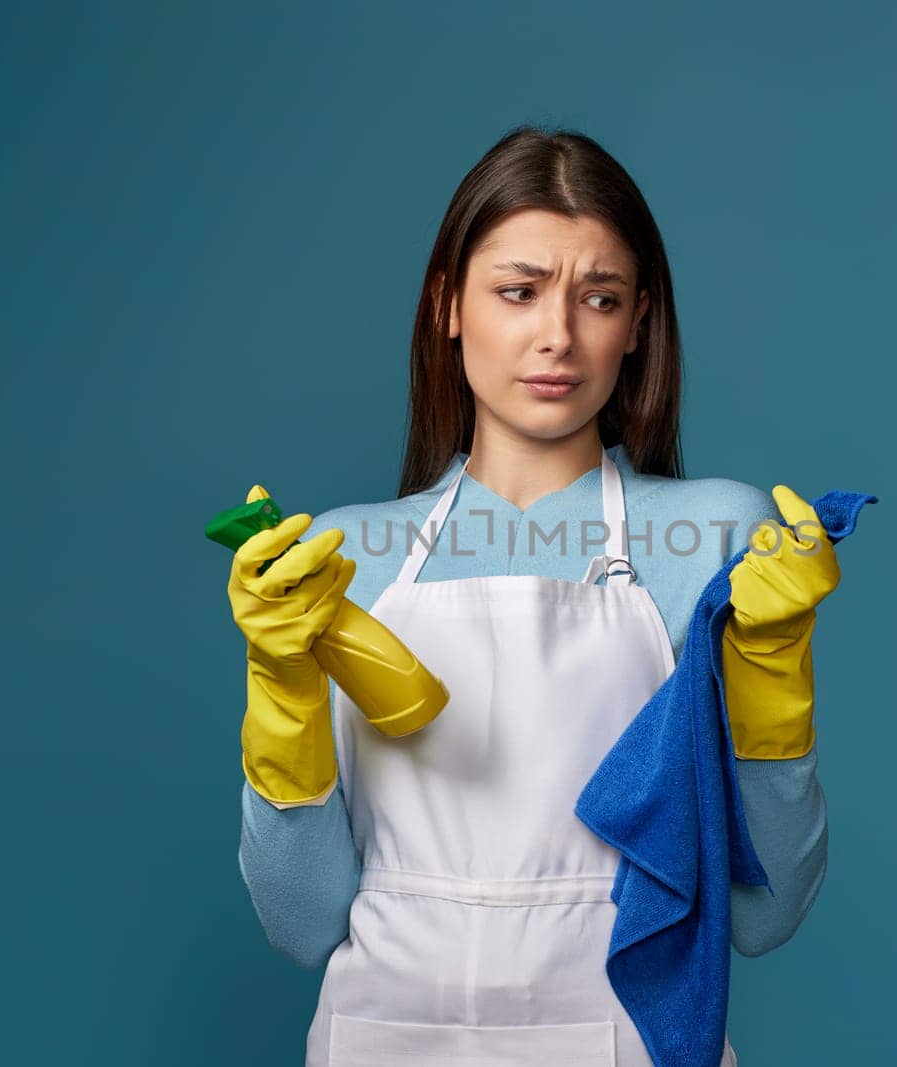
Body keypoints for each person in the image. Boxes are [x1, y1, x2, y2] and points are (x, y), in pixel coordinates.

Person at [230, 126, 844, 1066]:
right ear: (448, 305)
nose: (557, 335)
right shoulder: (342, 558)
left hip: (622, 1037)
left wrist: (772, 672)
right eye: (517, 292)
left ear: (638, 322)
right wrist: (280, 684)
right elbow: (302, 922)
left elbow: (764, 916)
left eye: (599, 299)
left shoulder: (719, 537)